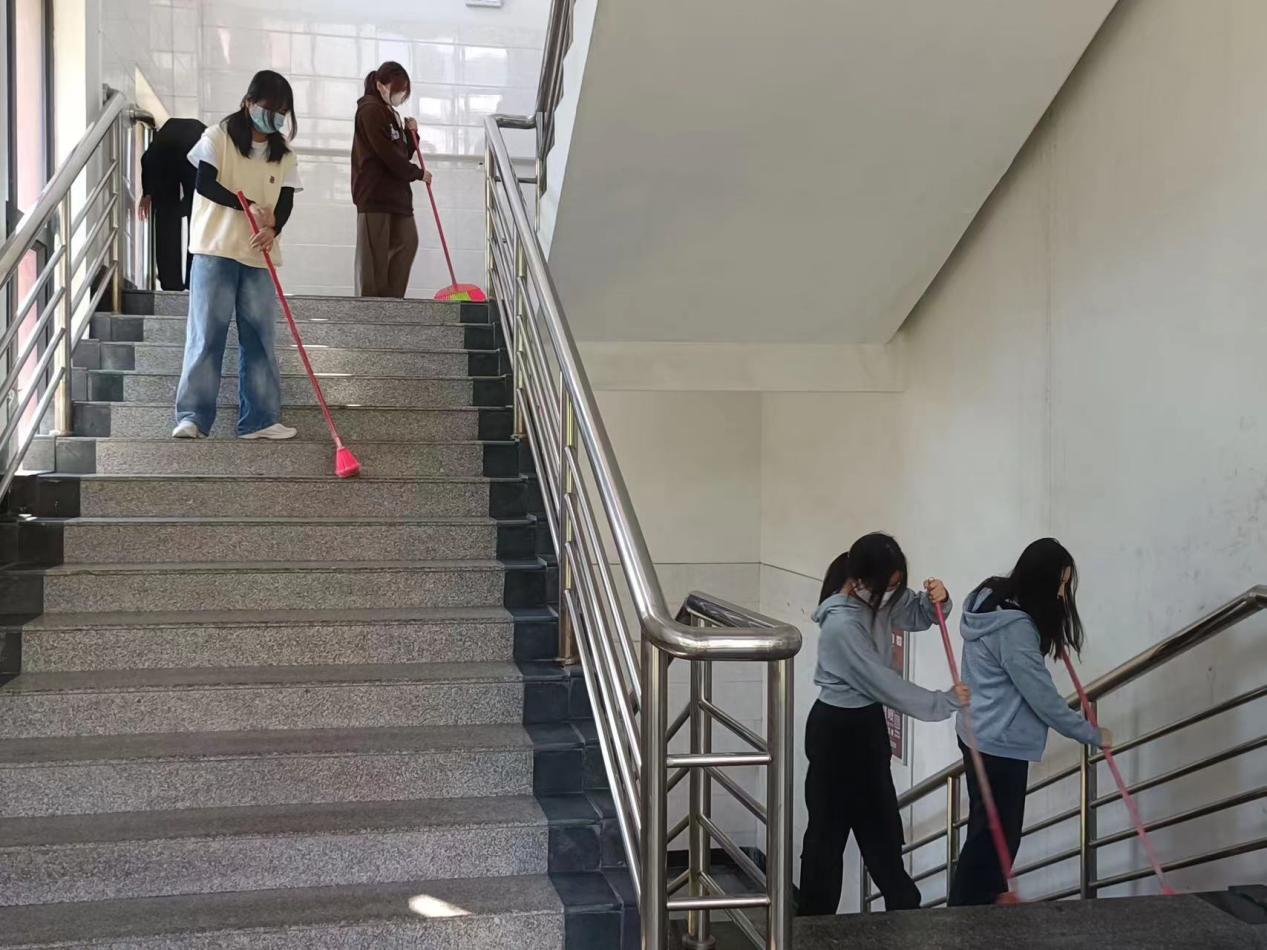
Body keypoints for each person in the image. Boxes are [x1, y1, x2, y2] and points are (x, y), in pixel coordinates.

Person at [798, 532, 969, 916]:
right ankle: (812, 926)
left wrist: (938, 600)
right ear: (861, 580)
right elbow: (884, 683)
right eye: (887, 586)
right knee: (827, 838)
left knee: (882, 831)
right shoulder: (841, 625)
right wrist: (942, 702)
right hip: (836, 732)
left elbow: (918, 614)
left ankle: (903, 912)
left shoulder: (879, 596)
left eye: (897, 585)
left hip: (867, 726)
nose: (893, 594)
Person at [946, 538, 1110, 907]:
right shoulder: (1015, 628)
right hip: (1000, 743)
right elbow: (1042, 698)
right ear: (1044, 580)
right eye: (1061, 583)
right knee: (996, 840)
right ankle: (967, 916)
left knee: (989, 834)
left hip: (976, 730)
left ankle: (982, 904)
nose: (1063, 592)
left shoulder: (990, 594)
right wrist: (1090, 733)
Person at [172, 69, 302, 440]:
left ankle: (260, 420)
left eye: (282, 112)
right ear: (248, 103)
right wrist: (247, 206)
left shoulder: (284, 155)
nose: (274, 117)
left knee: (260, 339)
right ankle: (193, 416)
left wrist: (272, 227)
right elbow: (204, 184)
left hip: (258, 257)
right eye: (269, 108)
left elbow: (286, 201)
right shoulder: (218, 137)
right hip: (215, 251)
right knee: (206, 335)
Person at [351, 60, 431, 298]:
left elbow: (400, 153)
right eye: (398, 89)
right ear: (380, 85)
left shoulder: (390, 113)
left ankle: (392, 303)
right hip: (375, 195)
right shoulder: (370, 110)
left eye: (404, 91)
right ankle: (372, 310)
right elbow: (386, 154)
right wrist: (417, 173)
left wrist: (412, 134)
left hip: (397, 196)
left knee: (407, 242)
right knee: (374, 260)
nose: (401, 95)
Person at [139, 117, 206, 290]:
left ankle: (170, 283)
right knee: (198, 221)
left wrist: (148, 193)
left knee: (167, 219)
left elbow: (147, 159)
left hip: (168, 154)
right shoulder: (203, 138)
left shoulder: (164, 141)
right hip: (191, 150)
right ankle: (194, 281)